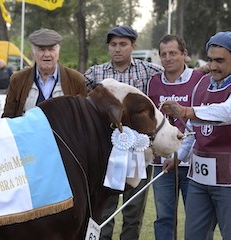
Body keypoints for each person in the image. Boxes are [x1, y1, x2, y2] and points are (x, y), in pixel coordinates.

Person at [162, 31, 231, 239]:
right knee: (194, 235)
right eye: (210, 60)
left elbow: (228, 112)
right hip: (199, 178)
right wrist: (178, 157)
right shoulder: (202, 85)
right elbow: (192, 131)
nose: (213, 66)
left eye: (219, 60)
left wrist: (188, 111)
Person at [83, 25, 163, 240]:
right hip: (106, 153)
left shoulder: (150, 72)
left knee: (133, 211)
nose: (117, 49)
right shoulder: (95, 74)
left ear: (133, 46)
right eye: (113, 45)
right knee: (104, 210)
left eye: (123, 44)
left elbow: (173, 81)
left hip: (139, 152)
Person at [147, 34, 205, 240]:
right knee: (164, 217)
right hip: (161, 162)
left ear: (184, 55)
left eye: (173, 53)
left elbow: (202, 116)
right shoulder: (153, 83)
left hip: (193, 163)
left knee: (198, 218)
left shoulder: (199, 80)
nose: (168, 58)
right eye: (163, 54)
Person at [2, 28, 86, 118]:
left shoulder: (76, 80)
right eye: (41, 49)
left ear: (58, 52)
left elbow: (83, 118)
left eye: (51, 49)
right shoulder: (18, 80)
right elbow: (8, 119)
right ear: (33, 53)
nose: (47, 54)